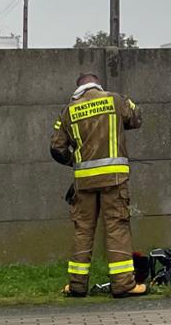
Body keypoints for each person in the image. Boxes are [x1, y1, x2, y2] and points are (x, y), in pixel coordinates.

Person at [49, 72, 144, 298]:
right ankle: (123, 284)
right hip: (114, 179)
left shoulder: (68, 111)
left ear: (78, 88)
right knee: (117, 227)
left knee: (83, 231)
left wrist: (75, 162)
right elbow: (136, 117)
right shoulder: (115, 100)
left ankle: (77, 285)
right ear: (98, 85)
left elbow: (56, 148)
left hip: (84, 182)